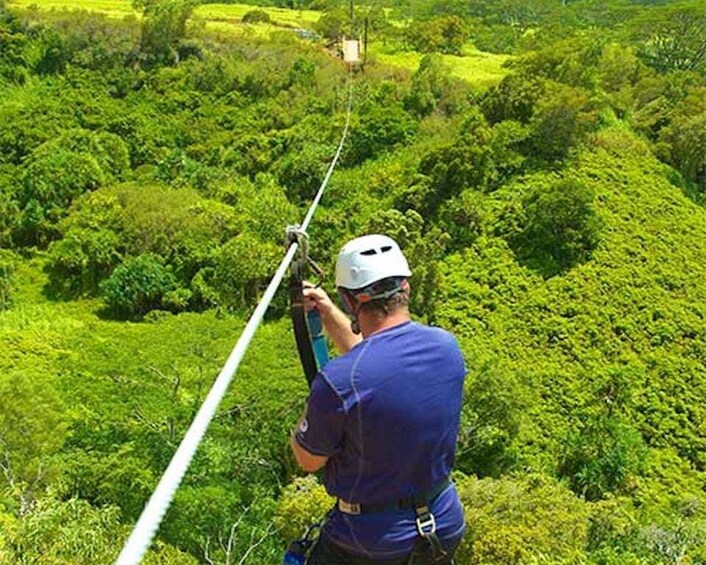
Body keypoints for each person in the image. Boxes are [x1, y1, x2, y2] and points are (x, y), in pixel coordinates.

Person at [290, 234, 467, 565]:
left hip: (369, 541)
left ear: (350, 300)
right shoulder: (447, 347)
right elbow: (374, 365)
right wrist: (327, 313)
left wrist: (312, 409)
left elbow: (308, 459)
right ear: (407, 289)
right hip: (442, 523)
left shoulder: (338, 381)